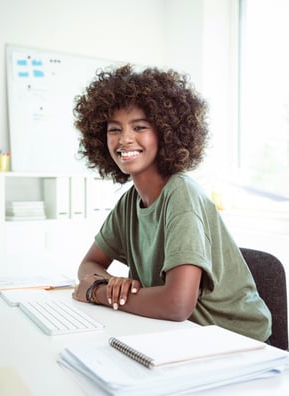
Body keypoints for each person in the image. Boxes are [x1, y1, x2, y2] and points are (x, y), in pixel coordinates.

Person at [71, 64, 272, 342]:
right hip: (178, 334)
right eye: (114, 129)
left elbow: (177, 304)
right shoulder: (131, 201)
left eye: (139, 127)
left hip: (231, 339)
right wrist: (112, 285)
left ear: (166, 132)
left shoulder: (181, 194)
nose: (124, 139)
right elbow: (89, 264)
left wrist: (100, 293)